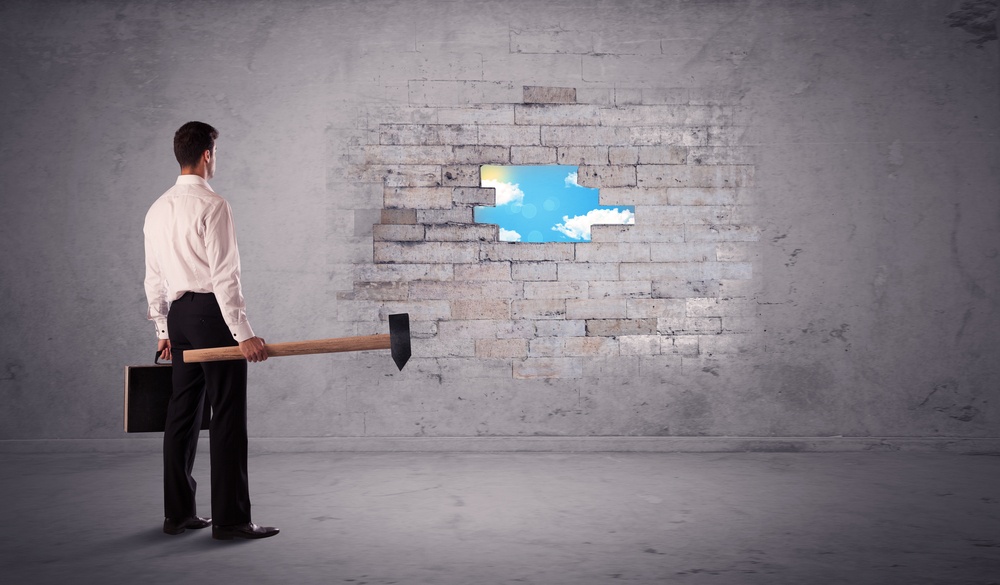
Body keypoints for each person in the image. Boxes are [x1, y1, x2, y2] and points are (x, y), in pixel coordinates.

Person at [143, 121, 278, 540]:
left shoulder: (157, 207)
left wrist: (162, 329)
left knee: (182, 414)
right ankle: (232, 521)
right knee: (227, 415)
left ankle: (179, 515)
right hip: (212, 317)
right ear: (207, 154)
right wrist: (244, 334)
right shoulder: (213, 205)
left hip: (180, 318)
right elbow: (225, 277)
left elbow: (154, 278)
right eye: (215, 153)